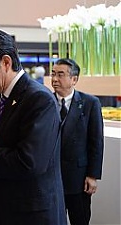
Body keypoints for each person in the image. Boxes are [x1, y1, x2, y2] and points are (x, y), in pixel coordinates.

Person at [0, 28, 66, 225]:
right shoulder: (4, 98)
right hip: (6, 209)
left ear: (5, 62)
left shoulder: (38, 99)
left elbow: (30, 163)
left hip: (31, 215)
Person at [51, 58, 104, 225]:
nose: (54, 79)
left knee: (80, 220)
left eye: (60, 74)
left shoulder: (90, 103)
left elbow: (96, 141)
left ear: (74, 79)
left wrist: (92, 175)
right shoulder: (45, 101)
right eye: (53, 74)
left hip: (79, 178)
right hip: (51, 177)